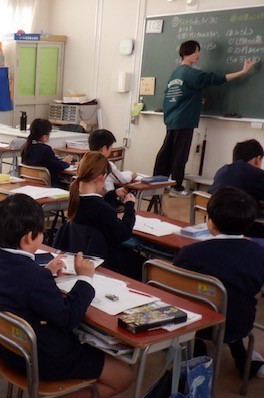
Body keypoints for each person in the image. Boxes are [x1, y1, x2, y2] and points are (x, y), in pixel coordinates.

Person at [0, 194, 132, 398]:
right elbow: (68, 318)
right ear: (29, 238)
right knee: (123, 376)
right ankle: (54, 397)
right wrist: (85, 278)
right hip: (42, 360)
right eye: (41, 234)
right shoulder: (34, 278)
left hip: (8, 350)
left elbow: (15, 281)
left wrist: (45, 272)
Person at [174, 187, 264, 379]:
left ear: (210, 221)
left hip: (195, 322)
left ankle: (198, 356)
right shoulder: (259, 254)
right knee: (232, 302)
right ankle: (243, 360)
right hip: (239, 323)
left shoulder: (191, 253)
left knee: (204, 300)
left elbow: (177, 286)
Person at [152, 40, 257, 197]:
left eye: (198, 51)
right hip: (184, 120)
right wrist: (243, 72)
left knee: (167, 152)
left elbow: (175, 96)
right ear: (186, 52)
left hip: (172, 118)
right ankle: (177, 186)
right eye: (195, 51)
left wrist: (196, 101)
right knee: (180, 154)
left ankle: (159, 182)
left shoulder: (176, 72)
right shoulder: (192, 73)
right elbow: (216, 79)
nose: (198, 55)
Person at [57, 151, 143, 280]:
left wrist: (113, 194)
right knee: (142, 264)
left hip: (80, 252)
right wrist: (130, 207)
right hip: (104, 258)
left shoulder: (76, 199)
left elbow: (96, 208)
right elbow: (123, 233)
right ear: (102, 177)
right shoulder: (104, 210)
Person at [88, 129, 137, 206]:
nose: (111, 150)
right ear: (104, 149)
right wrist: (131, 176)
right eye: (110, 147)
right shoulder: (108, 165)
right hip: (107, 200)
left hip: (92, 201)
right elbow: (123, 179)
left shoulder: (86, 163)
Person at [21, 118, 70, 188]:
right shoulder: (45, 149)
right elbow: (58, 166)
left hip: (30, 185)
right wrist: (66, 162)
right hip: (49, 186)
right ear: (44, 136)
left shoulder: (25, 147)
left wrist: (54, 158)